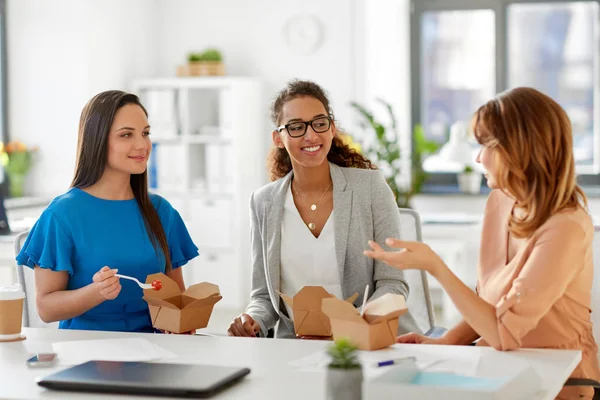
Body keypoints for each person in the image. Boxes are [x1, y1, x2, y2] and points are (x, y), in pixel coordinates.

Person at [365, 87, 600, 399]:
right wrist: (447, 341)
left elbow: (504, 333)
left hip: (559, 380)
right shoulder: (500, 201)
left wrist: (436, 267)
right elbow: (488, 305)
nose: (478, 158)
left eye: (486, 145)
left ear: (520, 149)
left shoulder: (566, 228)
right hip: (500, 369)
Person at [228, 80, 420, 338]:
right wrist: (252, 319)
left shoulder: (370, 187)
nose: (311, 135)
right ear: (278, 138)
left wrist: (353, 324)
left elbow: (392, 284)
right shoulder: (263, 202)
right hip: (295, 348)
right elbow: (264, 296)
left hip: (369, 341)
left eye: (319, 123)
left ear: (332, 128)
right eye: (296, 127)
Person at [16, 90, 199, 333]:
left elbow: (176, 297)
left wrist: (181, 319)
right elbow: (46, 309)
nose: (142, 145)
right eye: (126, 135)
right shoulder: (62, 215)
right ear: (97, 140)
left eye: (145, 133)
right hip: (85, 353)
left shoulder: (161, 212)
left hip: (156, 353)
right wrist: (95, 292)